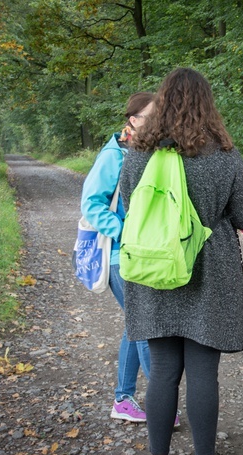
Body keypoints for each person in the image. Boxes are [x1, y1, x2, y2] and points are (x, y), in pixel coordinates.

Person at [120, 68, 243, 455]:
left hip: (155, 268)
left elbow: (130, 205)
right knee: (202, 373)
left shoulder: (139, 154)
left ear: (161, 102)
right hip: (208, 270)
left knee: (161, 371)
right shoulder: (223, 154)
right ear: (207, 104)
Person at [80, 92, 172, 425]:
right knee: (146, 327)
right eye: (152, 117)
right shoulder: (114, 154)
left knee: (136, 324)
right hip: (122, 255)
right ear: (133, 121)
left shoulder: (149, 150)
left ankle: (123, 398)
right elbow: (91, 204)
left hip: (144, 255)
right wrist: (125, 230)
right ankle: (162, 407)